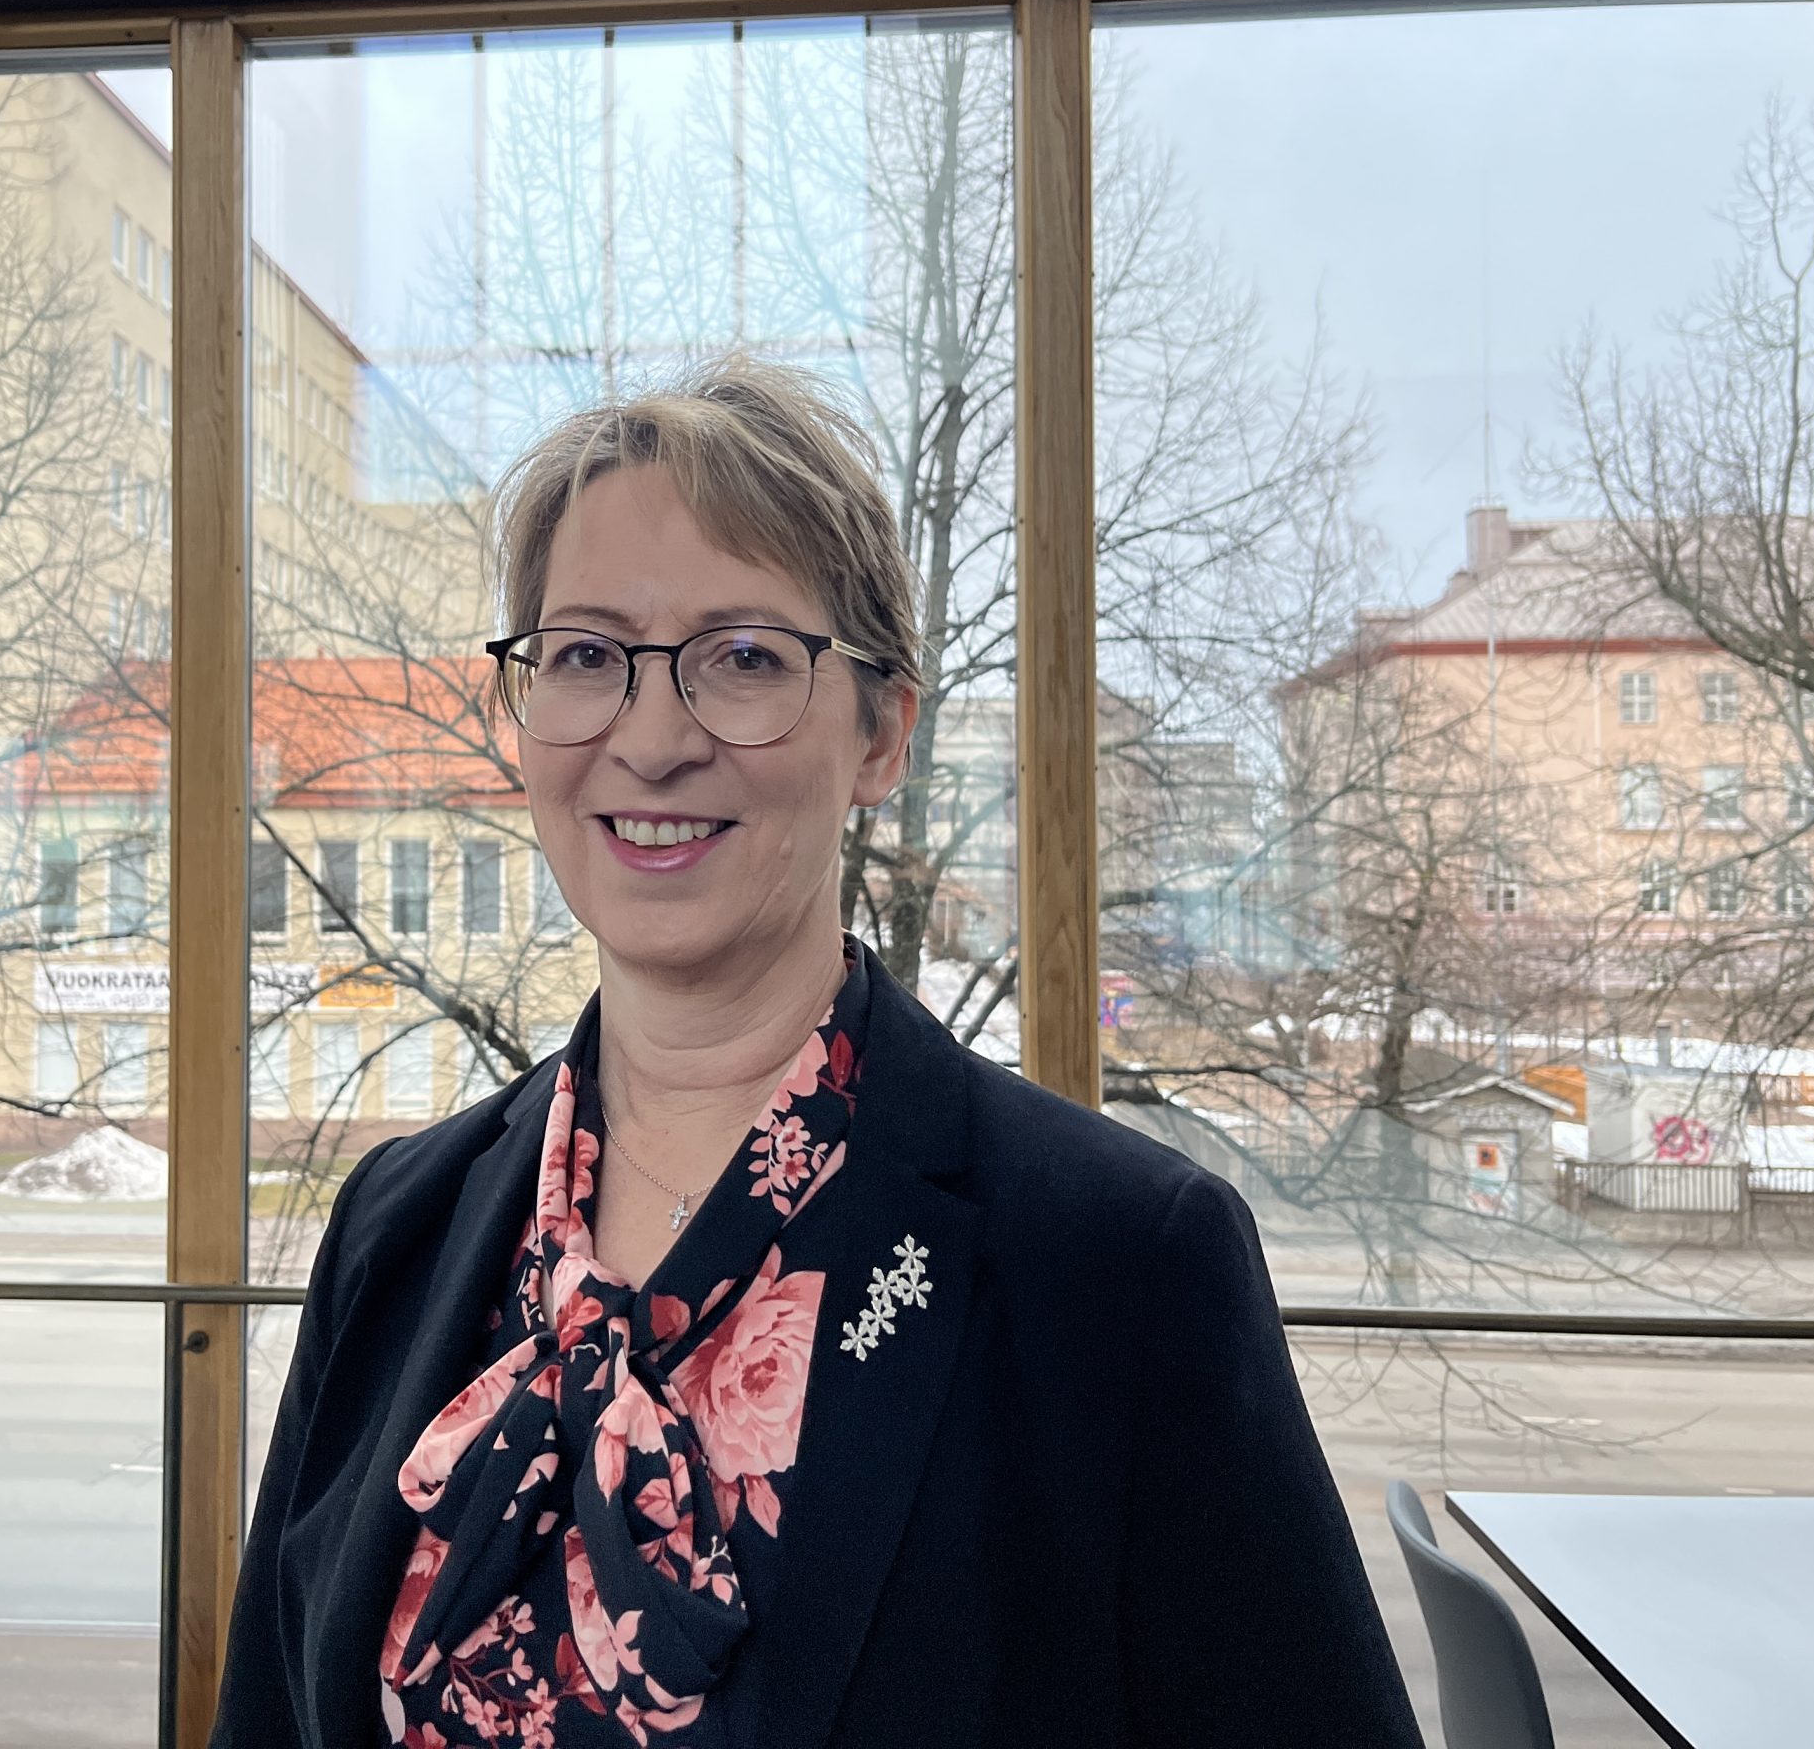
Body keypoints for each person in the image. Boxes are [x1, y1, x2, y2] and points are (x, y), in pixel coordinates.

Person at [211, 358, 1425, 1749]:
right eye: (588, 656)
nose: (651, 741)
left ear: (883, 734)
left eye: (743, 658)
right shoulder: (399, 1229)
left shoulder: (1120, 1265)